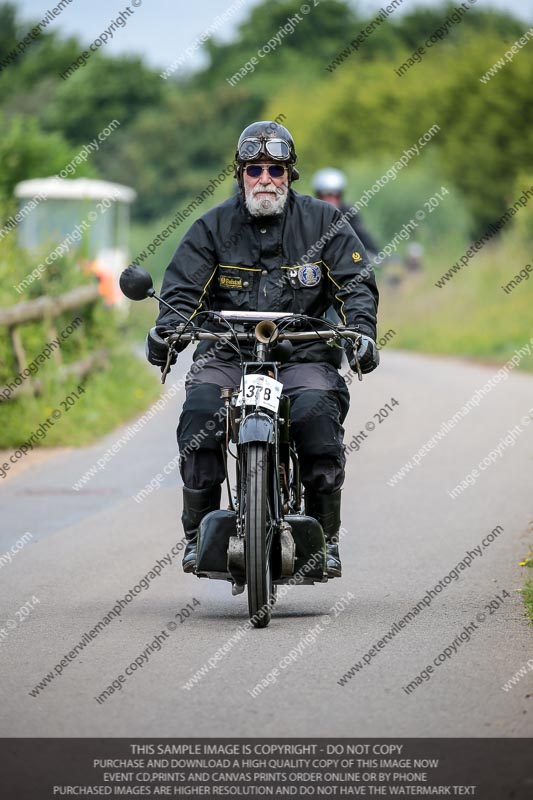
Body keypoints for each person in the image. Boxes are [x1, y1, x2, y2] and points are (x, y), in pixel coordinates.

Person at [145, 121, 379, 578]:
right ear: (240, 174)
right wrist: (168, 330)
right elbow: (180, 292)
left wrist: (361, 332)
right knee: (200, 413)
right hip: (227, 355)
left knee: (316, 414)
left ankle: (324, 540)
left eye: (276, 168)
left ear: (291, 174)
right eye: (255, 170)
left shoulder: (326, 223)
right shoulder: (211, 227)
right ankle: (198, 537)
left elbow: (356, 286)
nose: (265, 179)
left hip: (304, 355)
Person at [311, 167, 379, 256]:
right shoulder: (309, 213)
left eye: (335, 196)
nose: (331, 200)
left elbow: (363, 237)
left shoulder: (349, 213)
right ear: (318, 196)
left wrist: (375, 255)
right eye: (326, 195)